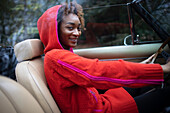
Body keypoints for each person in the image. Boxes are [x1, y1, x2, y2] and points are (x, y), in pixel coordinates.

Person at [37, 2, 170, 113]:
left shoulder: (59, 55)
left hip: (99, 103)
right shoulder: (56, 57)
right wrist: (162, 68)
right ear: (54, 29)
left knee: (147, 84)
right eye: (70, 28)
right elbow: (97, 71)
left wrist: (142, 67)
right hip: (101, 110)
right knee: (164, 95)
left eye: (78, 28)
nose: (77, 33)